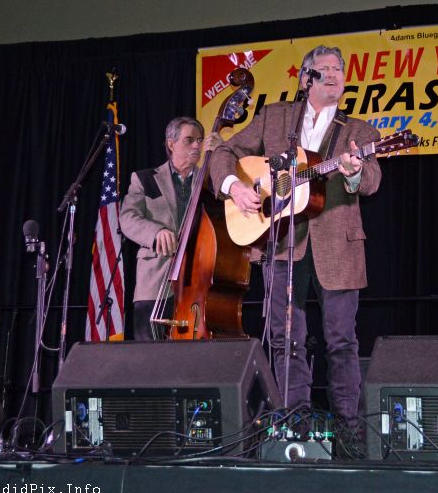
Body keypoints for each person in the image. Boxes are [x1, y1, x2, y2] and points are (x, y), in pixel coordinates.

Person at [210, 45, 382, 424]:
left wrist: (355, 172)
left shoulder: (359, 131)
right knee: (285, 340)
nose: (334, 74)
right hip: (282, 243)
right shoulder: (275, 118)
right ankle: (294, 423)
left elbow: (372, 180)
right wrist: (234, 187)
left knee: (341, 341)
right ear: (306, 78)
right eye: (325, 69)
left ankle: (348, 429)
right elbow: (224, 152)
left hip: (339, 247)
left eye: (338, 69)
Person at [119, 117, 220, 340]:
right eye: (189, 140)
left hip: (198, 280)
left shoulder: (211, 181)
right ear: (171, 144)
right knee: (149, 351)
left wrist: (221, 155)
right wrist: (155, 232)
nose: (197, 145)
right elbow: (127, 218)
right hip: (155, 280)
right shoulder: (144, 179)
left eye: (200, 140)